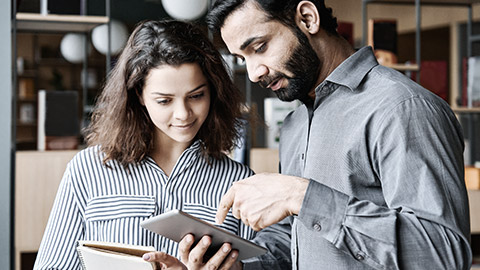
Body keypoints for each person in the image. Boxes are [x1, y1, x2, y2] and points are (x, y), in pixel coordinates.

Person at [197, 0, 472, 269]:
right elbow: (294, 239)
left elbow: (442, 254)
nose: (254, 73)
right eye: (242, 58)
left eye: (260, 47)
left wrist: (301, 196)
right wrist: (239, 266)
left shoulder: (403, 108)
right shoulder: (295, 124)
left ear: (307, 18)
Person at [33, 19, 254, 270]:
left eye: (196, 96)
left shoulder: (239, 183)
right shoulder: (87, 170)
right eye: (164, 101)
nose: (183, 114)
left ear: (213, 92)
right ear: (139, 94)